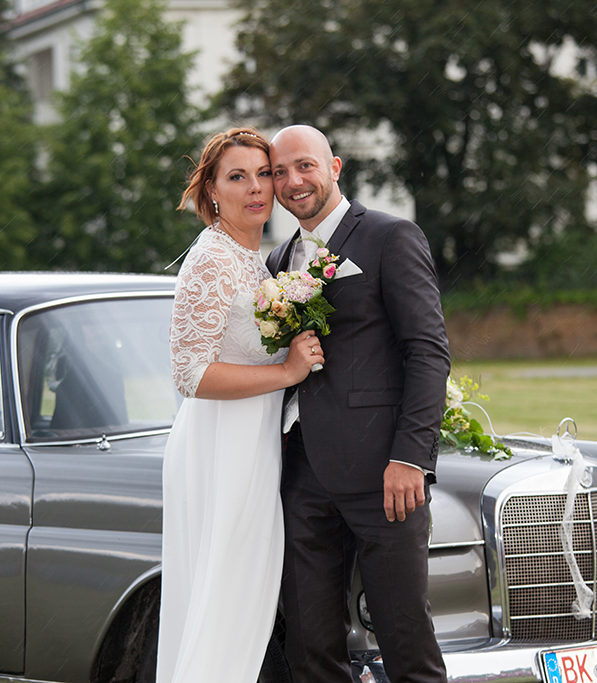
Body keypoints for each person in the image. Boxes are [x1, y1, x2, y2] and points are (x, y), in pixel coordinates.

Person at [267, 125, 451, 683]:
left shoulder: (391, 237)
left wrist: (411, 458)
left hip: (383, 474)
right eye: (279, 172)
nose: (293, 181)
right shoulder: (277, 261)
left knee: (403, 638)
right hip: (299, 475)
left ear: (335, 167)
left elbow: (427, 352)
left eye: (305, 166)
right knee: (310, 644)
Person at [157, 127, 324, 683]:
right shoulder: (211, 260)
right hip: (219, 450)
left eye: (263, 174)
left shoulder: (254, 259)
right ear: (211, 193)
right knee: (222, 608)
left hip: (253, 448)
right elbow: (190, 373)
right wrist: (285, 372)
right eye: (237, 177)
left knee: (242, 609)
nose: (256, 189)